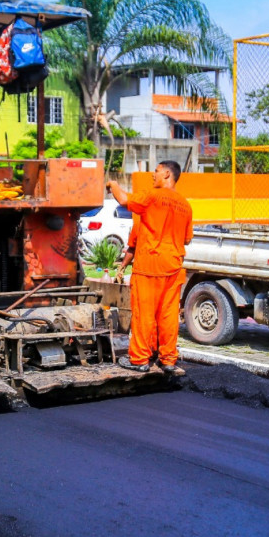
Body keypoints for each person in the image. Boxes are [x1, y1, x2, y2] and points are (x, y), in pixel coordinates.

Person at [106, 160, 194, 375]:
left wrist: (113, 185)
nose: (152, 175)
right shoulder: (185, 205)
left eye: (155, 171)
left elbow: (125, 199)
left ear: (166, 174)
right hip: (173, 267)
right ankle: (168, 360)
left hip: (149, 266)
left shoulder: (153, 196)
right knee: (168, 316)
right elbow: (187, 239)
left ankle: (140, 360)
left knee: (144, 314)